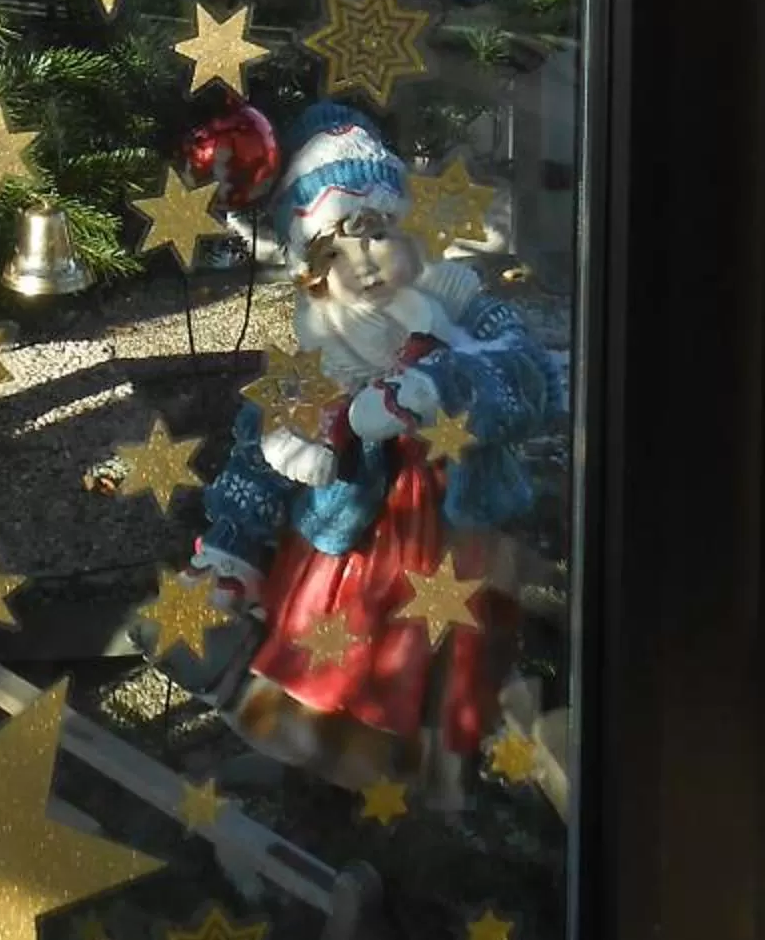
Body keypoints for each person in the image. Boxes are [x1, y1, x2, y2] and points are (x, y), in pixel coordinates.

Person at [195, 103, 552, 801]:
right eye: (330, 249)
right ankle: (315, 760)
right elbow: (253, 459)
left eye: (372, 232)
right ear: (308, 269)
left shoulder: (453, 301)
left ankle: (433, 777)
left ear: (403, 228)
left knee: (452, 653)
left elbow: (528, 372)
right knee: (327, 643)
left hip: (452, 527)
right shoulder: (317, 351)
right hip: (348, 544)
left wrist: (438, 385)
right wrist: (230, 550)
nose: (358, 263)